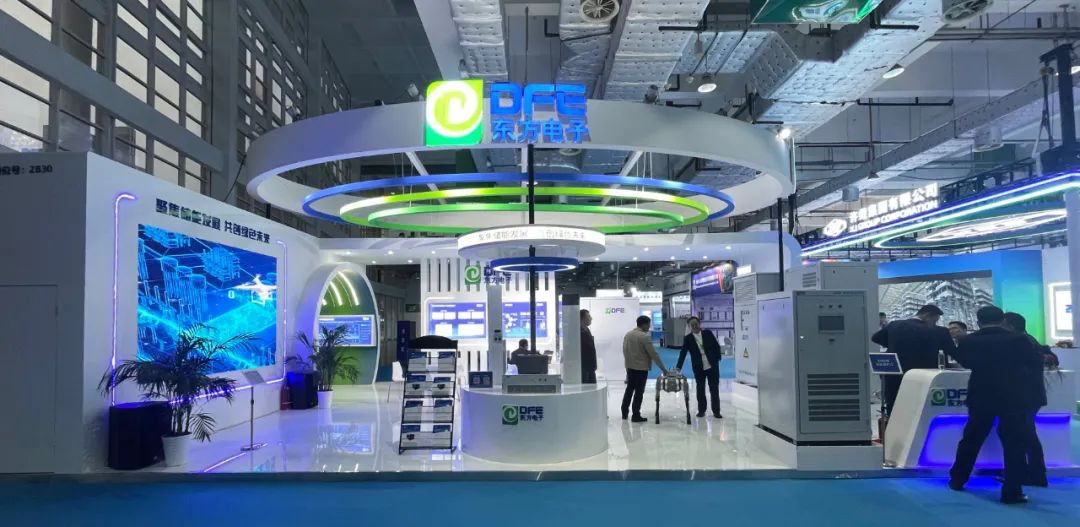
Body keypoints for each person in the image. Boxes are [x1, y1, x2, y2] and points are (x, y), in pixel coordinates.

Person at [949, 306, 1044, 504]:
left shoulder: (970, 340)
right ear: (1002, 320)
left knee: (972, 439)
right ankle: (1012, 491)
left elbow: (965, 362)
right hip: (1014, 397)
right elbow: (1034, 362)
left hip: (981, 395)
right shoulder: (1020, 339)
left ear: (978, 322)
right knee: (1014, 444)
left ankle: (958, 479)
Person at [871, 304, 956, 417]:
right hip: (925, 378)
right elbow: (952, 352)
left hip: (895, 377)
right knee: (922, 412)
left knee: (895, 410)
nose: (934, 324)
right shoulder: (939, 331)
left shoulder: (894, 325)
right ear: (927, 316)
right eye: (934, 321)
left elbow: (875, 338)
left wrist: (893, 344)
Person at [1003, 312, 1050, 488]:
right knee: (1026, 434)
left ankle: (1035, 474)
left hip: (1025, 395)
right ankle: (1032, 473)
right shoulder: (1028, 340)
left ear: (1009, 326)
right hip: (1030, 395)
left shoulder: (1023, 343)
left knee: (1026, 434)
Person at [622, 315, 668, 422]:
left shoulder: (628, 334)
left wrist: (627, 366)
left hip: (630, 368)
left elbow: (625, 351)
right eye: (648, 324)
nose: (649, 326)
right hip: (641, 369)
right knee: (639, 392)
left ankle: (624, 412)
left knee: (629, 390)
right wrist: (663, 369)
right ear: (644, 324)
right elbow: (654, 354)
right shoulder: (644, 337)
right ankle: (636, 415)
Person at [676, 316, 723, 418]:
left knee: (714, 388)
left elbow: (716, 346)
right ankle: (701, 410)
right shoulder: (688, 338)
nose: (694, 326)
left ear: (699, 324)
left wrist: (717, 358)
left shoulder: (707, 333)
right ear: (689, 326)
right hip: (698, 367)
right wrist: (678, 367)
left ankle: (716, 411)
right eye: (692, 325)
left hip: (712, 365)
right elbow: (683, 353)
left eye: (696, 324)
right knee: (700, 389)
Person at [580, 309, 597, 384]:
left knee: (592, 386)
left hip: (591, 366)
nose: (591, 318)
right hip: (584, 368)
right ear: (582, 318)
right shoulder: (579, 332)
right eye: (588, 316)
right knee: (585, 387)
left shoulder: (586, 329)